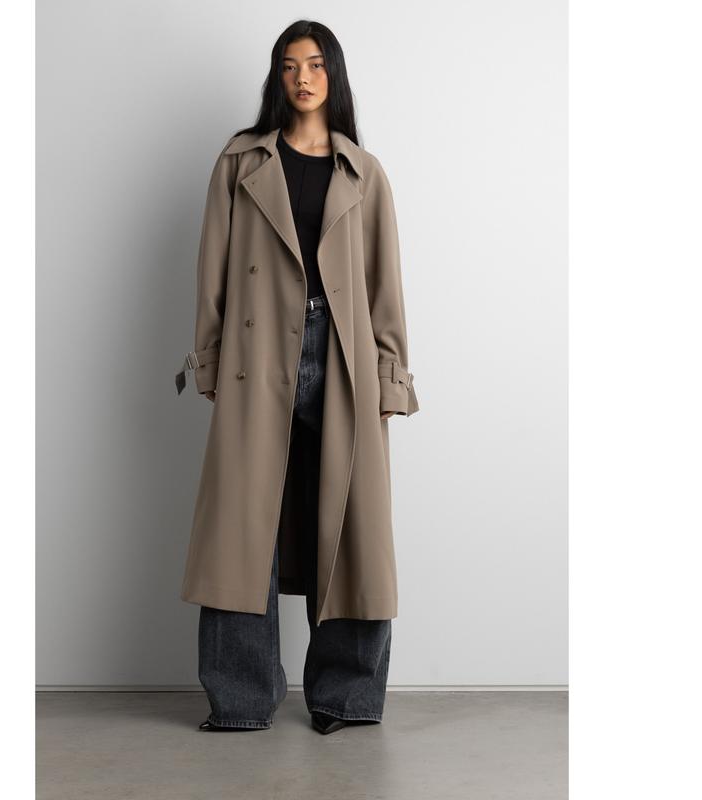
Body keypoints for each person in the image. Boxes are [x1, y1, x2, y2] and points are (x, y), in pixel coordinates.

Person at [175, 20, 419, 735]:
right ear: (276, 78)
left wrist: (390, 375)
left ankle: (345, 696)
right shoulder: (240, 162)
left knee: (352, 529)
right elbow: (213, 270)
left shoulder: (363, 173)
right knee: (241, 527)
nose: (302, 77)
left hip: (342, 356)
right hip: (257, 357)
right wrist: (208, 356)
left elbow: (384, 286)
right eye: (289, 65)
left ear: (333, 75)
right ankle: (242, 699)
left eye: (315, 64)